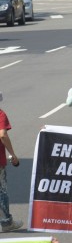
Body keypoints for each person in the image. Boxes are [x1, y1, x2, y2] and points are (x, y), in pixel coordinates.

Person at [0, 93, 22, 233]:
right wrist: (13, 154)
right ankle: (7, 222)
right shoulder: (0, 114)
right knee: (2, 191)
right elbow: (2, 134)